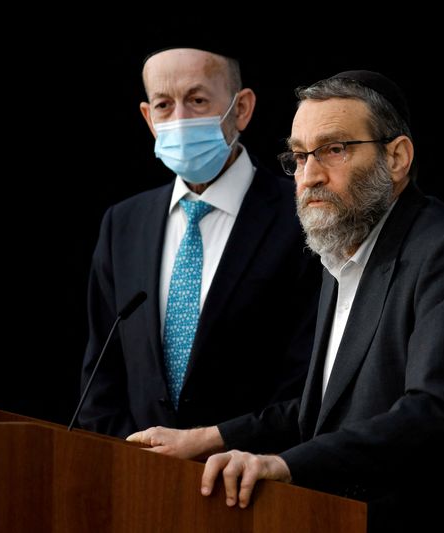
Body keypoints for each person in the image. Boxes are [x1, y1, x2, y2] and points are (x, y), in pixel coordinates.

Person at [128, 70, 444, 532]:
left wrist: (286, 467)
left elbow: (432, 413)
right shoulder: (341, 252)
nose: (310, 176)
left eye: (333, 150)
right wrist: (206, 439)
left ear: (397, 156)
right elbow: (320, 411)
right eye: (300, 156)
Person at [78, 44, 321, 440]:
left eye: (197, 100)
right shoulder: (122, 224)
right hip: (136, 482)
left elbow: (309, 381)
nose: (179, 120)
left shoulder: (302, 217)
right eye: (163, 105)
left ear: (241, 109)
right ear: (147, 117)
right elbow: (101, 381)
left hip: (256, 483)